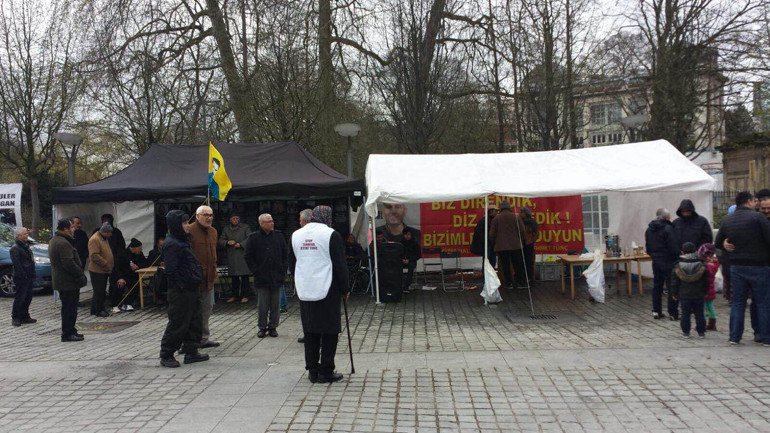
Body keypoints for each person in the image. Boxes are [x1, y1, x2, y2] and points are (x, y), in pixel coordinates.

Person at [290, 206, 349, 383]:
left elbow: (292, 262)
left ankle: (312, 370)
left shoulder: (296, 235)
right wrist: (345, 288)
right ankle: (326, 370)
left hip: (305, 287)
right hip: (327, 286)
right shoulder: (331, 234)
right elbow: (340, 263)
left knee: (310, 330)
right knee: (330, 330)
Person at [714, 191, 770, 345]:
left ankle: (734, 337)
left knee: (738, 302)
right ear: (750, 201)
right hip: (759, 266)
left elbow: (718, 243)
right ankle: (766, 337)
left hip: (737, 266)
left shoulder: (727, 220)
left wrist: (725, 245)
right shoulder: (758, 218)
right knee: (762, 302)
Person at [159, 210, 208, 367]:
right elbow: (171, 270)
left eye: (188, 222)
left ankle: (191, 351)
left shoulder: (183, 240)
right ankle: (166, 354)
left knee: (195, 320)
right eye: (184, 223)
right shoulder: (172, 243)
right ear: (176, 225)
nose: (188, 226)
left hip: (191, 289)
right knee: (178, 322)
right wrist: (182, 286)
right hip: (181, 291)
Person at [244, 213, 288, 338]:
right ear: (261, 224)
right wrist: (255, 270)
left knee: (276, 305)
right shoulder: (253, 237)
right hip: (262, 276)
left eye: (272, 221)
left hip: (277, 276)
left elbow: (285, 254)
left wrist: (283, 269)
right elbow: (248, 256)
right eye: (269, 221)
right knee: (262, 305)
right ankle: (262, 327)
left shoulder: (279, 236)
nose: (272, 223)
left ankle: (273, 326)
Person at [49, 218, 88, 342]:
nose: (74, 229)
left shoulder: (57, 240)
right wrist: (80, 274)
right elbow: (68, 262)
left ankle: (71, 330)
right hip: (67, 281)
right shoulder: (62, 242)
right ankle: (67, 333)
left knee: (69, 307)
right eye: (71, 227)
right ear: (66, 229)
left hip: (65, 281)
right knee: (69, 308)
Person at [189, 205, 220, 349]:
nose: (208, 218)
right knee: (193, 311)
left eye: (211, 215)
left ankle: (203, 338)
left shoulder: (213, 232)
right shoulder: (189, 231)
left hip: (209, 278)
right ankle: (190, 340)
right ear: (197, 216)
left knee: (207, 309)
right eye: (205, 215)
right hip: (194, 278)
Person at [376, 203, 422, 291]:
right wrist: (401, 259)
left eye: (398, 207)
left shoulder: (416, 238)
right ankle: (397, 285)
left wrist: (409, 259)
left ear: (405, 210)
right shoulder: (400, 242)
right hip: (400, 261)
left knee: (411, 267)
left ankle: (406, 286)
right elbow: (397, 254)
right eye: (389, 207)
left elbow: (418, 255)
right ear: (383, 211)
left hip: (411, 261)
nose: (393, 211)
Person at [645, 208, 680, 320]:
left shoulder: (649, 229)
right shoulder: (668, 229)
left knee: (657, 286)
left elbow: (648, 247)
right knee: (672, 287)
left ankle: (656, 311)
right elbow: (673, 247)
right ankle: (673, 313)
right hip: (668, 262)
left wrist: (654, 256)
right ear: (666, 217)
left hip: (656, 261)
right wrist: (677, 256)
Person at [671, 242, 709, 339]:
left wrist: (674, 293)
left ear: (682, 252)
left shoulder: (678, 265)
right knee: (700, 313)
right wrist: (705, 291)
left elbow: (675, 282)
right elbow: (706, 281)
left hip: (684, 293)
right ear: (695, 251)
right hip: (698, 293)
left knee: (685, 313)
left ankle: (686, 332)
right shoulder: (701, 265)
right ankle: (701, 332)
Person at [490, 201, 527, 289]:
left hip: (501, 247)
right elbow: (522, 231)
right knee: (517, 265)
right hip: (515, 245)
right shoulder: (516, 217)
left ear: (500, 208)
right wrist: (519, 240)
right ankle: (520, 282)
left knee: (505, 265)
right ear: (509, 208)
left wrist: (495, 243)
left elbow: (492, 234)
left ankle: (508, 283)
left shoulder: (496, 218)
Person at [218, 213, 252, 303]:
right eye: (234, 218)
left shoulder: (245, 227)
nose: (236, 220)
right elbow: (221, 240)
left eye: (237, 218)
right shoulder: (226, 229)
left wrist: (240, 244)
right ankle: (234, 295)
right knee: (234, 278)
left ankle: (245, 295)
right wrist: (227, 242)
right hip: (232, 256)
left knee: (245, 277)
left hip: (243, 255)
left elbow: (250, 238)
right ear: (230, 219)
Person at [10, 227, 36, 327]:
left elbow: (30, 260)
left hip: (29, 275)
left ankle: (25, 315)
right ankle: (15, 317)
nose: (26, 235)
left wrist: (32, 274)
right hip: (21, 277)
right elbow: (17, 265)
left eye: (26, 233)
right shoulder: (15, 248)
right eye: (24, 234)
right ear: (18, 236)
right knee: (20, 297)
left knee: (28, 297)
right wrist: (23, 275)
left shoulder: (25, 246)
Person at [88, 223, 114, 317]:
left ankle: (94, 309)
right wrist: (105, 263)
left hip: (103, 270)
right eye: (110, 233)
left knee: (100, 290)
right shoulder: (95, 239)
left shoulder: (103, 238)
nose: (111, 235)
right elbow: (94, 255)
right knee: (99, 291)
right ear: (105, 232)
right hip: (97, 270)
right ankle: (99, 310)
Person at [296, 209, 313, 343]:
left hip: (316, 278)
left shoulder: (322, 234)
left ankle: (315, 333)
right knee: (305, 310)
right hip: (304, 278)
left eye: (300, 219)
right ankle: (308, 333)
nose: (299, 222)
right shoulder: (297, 235)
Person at [698, 243, 719, 331]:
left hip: (703, 289)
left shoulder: (704, 266)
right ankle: (712, 324)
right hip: (711, 289)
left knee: (702, 307)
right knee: (710, 306)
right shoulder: (715, 263)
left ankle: (702, 324)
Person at [520, 207, 539, 281]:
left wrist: (532, 240)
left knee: (528, 260)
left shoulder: (531, 222)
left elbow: (536, 233)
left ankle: (529, 276)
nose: (520, 214)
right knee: (524, 260)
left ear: (525, 214)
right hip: (525, 243)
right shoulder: (521, 221)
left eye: (521, 212)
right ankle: (526, 276)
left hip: (528, 243)